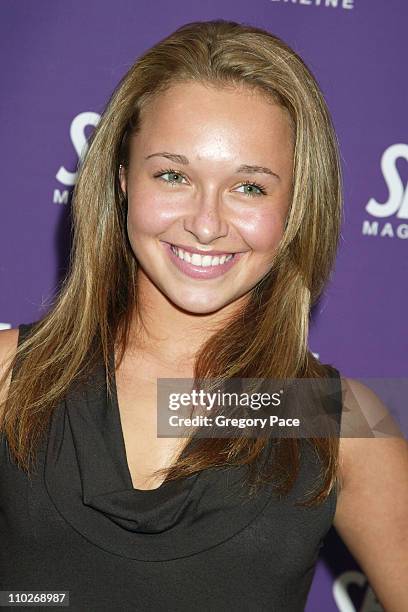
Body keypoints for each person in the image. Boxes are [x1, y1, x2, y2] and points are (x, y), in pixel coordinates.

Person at [0, 19, 407, 612]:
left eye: (250, 188)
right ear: (121, 182)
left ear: (296, 206)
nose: (207, 222)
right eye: (173, 175)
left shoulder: (324, 416)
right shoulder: (13, 376)